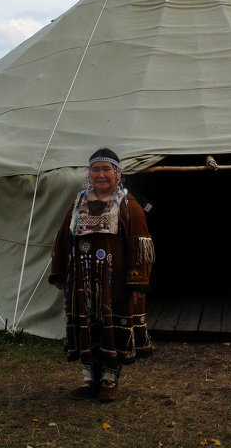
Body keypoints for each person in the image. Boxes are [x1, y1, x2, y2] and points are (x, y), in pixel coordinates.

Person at [49, 148, 154, 401]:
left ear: (118, 173)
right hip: (82, 281)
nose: (101, 175)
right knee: (87, 327)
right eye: (96, 169)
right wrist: (61, 273)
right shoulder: (78, 203)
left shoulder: (129, 206)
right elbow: (64, 238)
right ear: (90, 174)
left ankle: (109, 381)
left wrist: (137, 283)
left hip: (114, 284)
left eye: (107, 169)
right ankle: (88, 380)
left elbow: (140, 247)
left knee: (110, 327)